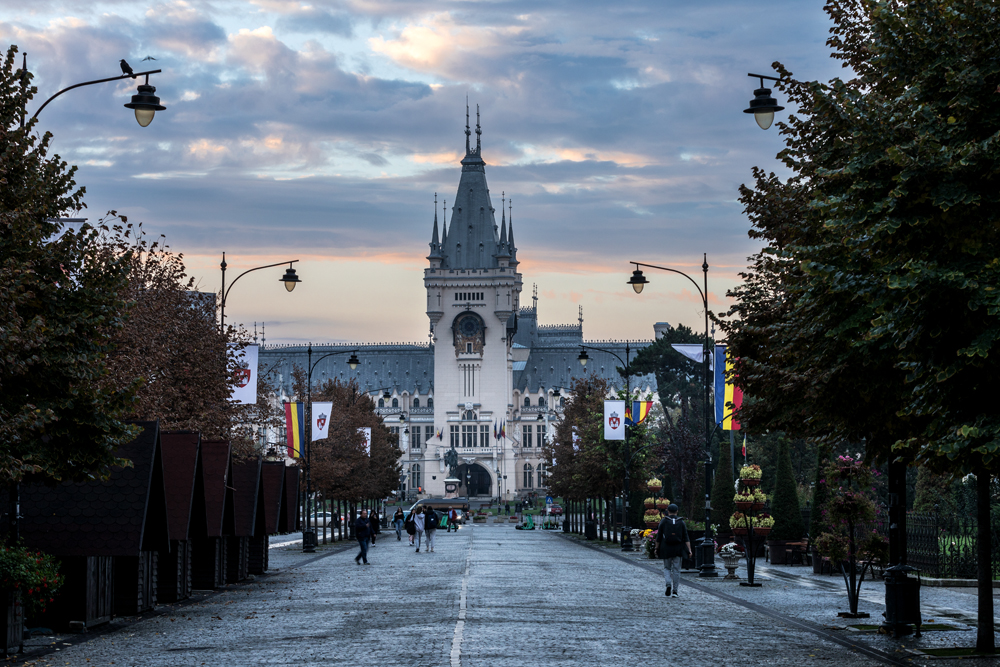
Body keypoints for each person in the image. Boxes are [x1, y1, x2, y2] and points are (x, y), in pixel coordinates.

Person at [655, 504, 692, 598]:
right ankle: (675, 591)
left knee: (667, 568)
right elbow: (686, 537)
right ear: (677, 511)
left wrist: (656, 548)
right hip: (678, 548)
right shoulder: (681, 522)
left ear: (667, 511)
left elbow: (658, 537)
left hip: (666, 548)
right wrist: (689, 550)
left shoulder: (664, 521)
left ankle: (668, 583)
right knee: (676, 570)